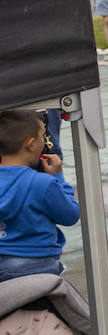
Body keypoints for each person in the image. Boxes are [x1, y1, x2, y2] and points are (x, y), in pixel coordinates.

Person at [0, 111, 80, 283]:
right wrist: (57, 177)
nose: (45, 141)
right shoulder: (42, 183)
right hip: (37, 266)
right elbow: (70, 215)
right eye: (43, 135)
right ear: (31, 144)